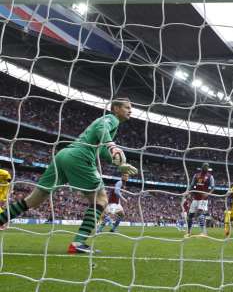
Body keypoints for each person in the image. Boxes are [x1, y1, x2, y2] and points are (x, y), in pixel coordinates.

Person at [0, 98, 138, 254]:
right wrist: (112, 145)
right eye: (127, 107)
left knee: (33, 200)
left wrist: (119, 164)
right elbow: (102, 127)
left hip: (63, 156)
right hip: (79, 157)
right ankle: (78, 242)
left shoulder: (110, 126)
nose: (130, 110)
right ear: (116, 108)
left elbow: (102, 151)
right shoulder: (111, 119)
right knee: (101, 199)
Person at [186, 163, 215, 237]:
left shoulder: (210, 177)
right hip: (195, 198)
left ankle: (204, 232)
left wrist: (208, 194)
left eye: (207, 167)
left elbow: (213, 187)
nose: (206, 168)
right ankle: (189, 232)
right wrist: (189, 193)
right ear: (202, 167)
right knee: (190, 215)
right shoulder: (196, 175)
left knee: (200, 214)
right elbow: (192, 185)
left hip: (203, 199)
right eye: (205, 166)